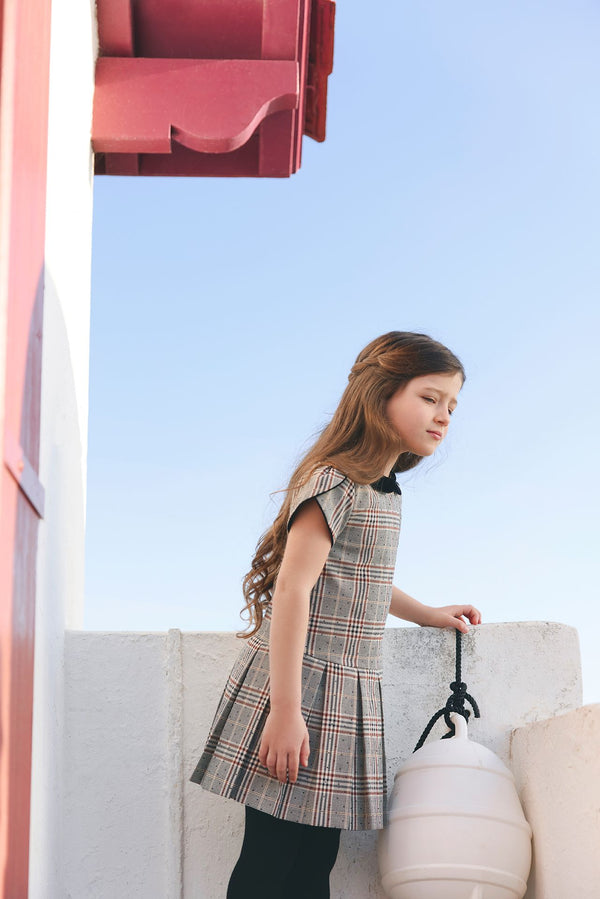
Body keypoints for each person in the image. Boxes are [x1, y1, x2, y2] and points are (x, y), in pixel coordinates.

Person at [189, 331, 482, 898]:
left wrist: (427, 614)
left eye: (452, 405)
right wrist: (285, 711)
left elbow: (362, 578)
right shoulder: (336, 479)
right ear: (379, 394)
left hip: (345, 691)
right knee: (271, 858)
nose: (443, 416)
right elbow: (294, 590)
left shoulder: (383, 491)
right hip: (302, 688)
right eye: (429, 398)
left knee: (315, 858)